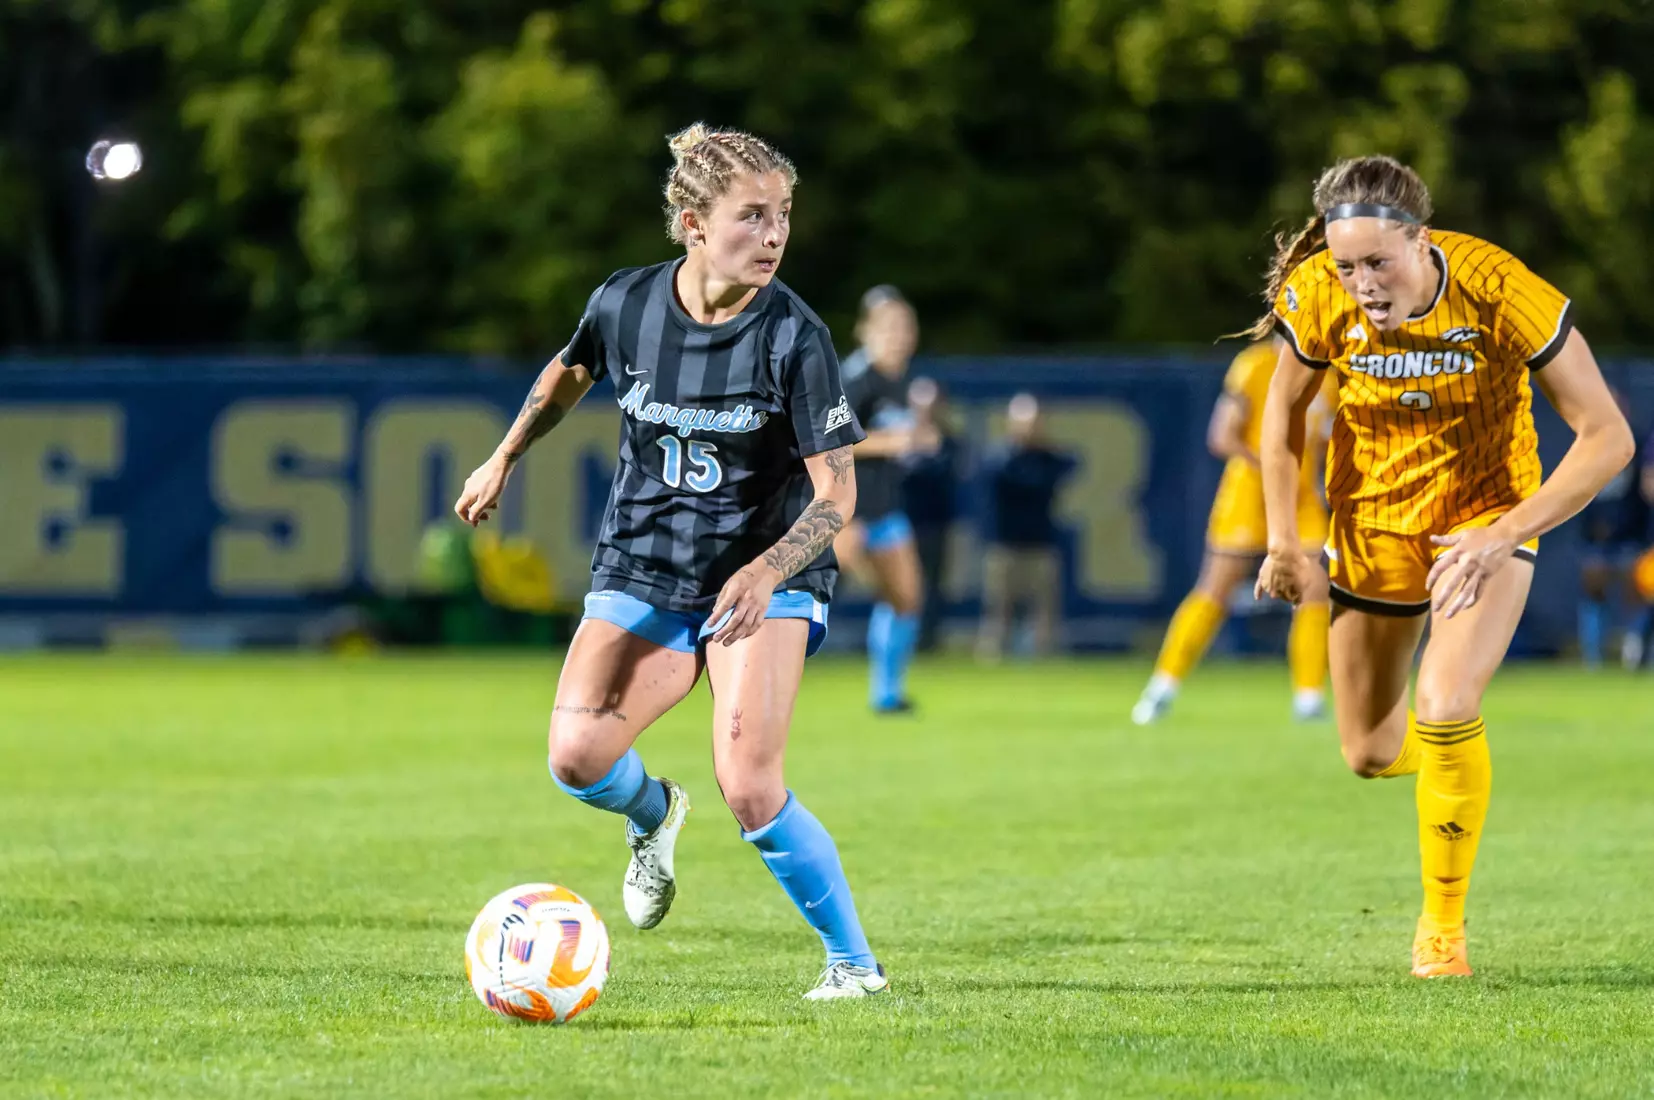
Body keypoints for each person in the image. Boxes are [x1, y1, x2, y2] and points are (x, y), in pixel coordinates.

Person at [453, 124, 887, 1000]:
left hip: (763, 576)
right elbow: (569, 373)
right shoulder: (627, 303)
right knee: (575, 757)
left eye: (784, 217)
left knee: (751, 785)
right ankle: (654, 813)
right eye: (751, 216)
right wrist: (503, 455)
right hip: (644, 562)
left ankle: (854, 966)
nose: (773, 236)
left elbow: (837, 495)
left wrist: (768, 571)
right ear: (692, 224)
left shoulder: (795, 337)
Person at [1251, 155, 1634, 979]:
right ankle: (1452, 759)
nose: (1360, 282)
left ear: (1422, 242)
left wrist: (1506, 533)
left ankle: (1442, 933)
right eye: (1346, 265)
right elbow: (1280, 414)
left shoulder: (1499, 288)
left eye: (1377, 263)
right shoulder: (1319, 293)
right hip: (1372, 526)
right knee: (1370, 751)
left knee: (1448, 701)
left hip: (1485, 520)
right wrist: (1285, 538)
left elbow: (1608, 436)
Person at [1132, 337, 1335, 725]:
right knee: (1216, 588)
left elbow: (1328, 442)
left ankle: (1309, 699)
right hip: (1250, 493)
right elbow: (1223, 436)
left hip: (1301, 497)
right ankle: (1161, 687)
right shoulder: (1254, 365)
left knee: (1315, 589)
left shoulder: (1327, 377)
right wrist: (1272, 468)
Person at [835, 286, 925, 713]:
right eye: (888, 326)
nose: (899, 334)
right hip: (845, 509)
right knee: (803, 593)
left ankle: (886, 694)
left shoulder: (903, 379)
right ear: (865, 331)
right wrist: (892, 441)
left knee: (905, 597)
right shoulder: (855, 377)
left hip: (884, 506)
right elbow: (827, 441)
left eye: (905, 326)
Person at [975, 394, 1077, 659]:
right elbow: (1010, 480)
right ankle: (991, 668)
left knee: (1044, 617)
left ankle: (1043, 667)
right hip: (1005, 546)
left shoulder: (1047, 458)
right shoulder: (1001, 456)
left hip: (1041, 545)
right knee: (998, 616)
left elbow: (1071, 465)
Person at [1575, 388, 1649, 667]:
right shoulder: (1587, 445)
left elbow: (1641, 494)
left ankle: (1634, 650)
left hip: (1632, 536)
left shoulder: (1638, 444)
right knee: (1594, 586)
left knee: (1637, 589)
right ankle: (1593, 656)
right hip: (1596, 536)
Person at [900, 376, 962, 652]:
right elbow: (899, 475)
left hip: (935, 526)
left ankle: (927, 641)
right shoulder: (899, 436)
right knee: (898, 588)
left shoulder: (949, 441)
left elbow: (947, 473)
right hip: (901, 525)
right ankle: (898, 641)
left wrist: (925, 455)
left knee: (933, 587)